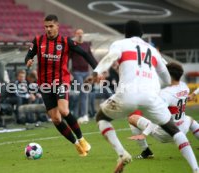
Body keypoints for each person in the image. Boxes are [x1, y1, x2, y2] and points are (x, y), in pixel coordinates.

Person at [93, 20, 199, 173]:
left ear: (126, 33)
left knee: (102, 118)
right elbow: (165, 76)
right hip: (153, 98)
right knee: (177, 131)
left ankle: (123, 153)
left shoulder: (120, 44)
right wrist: (157, 86)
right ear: (142, 34)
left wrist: (97, 72)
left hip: (129, 94)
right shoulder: (153, 50)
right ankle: (196, 169)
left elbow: (111, 57)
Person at [25, 14, 97, 157]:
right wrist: (28, 60)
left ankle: (81, 139)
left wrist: (98, 69)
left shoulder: (65, 42)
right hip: (44, 84)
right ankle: (76, 144)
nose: (48, 29)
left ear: (57, 26)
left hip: (60, 81)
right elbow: (29, 54)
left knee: (64, 111)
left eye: (51, 26)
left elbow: (84, 54)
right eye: (46, 27)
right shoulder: (38, 40)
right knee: (56, 119)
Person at [128, 62, 199, 159]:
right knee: (190, 120)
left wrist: (144, 134)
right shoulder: (184, 87)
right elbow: (180, 97)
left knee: (132, 118)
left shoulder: (166, 94)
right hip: (182, 129)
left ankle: (146, 151)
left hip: (165, 133)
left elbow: (158, 117)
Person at [69, 29, 97, 124]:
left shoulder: (86, 45)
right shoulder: (73, 45)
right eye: (78, 33)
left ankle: (82, 115)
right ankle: (83, 115)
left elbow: (91, 57)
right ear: (75, 34)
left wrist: (98, 68)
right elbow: (67, 59)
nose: (80, 35)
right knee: (83, 91)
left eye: (81, 33)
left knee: (84, 93)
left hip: (86, 72)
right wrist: (68, 73)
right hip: (77, 72)